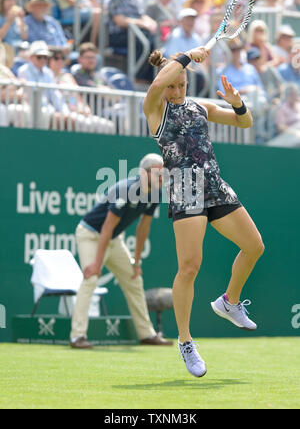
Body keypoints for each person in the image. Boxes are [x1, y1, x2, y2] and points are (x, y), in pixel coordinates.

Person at [143, 46, 264, 378]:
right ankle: (185, 342)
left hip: (215, 184)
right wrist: (185, 55)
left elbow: (245, 122)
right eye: (172, 84)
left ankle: (230, 301)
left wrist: (237, 101)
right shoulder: (155, 107)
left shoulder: (201, 106)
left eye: (182, 84)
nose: (177, 89)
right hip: (185, 188)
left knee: (255, 246)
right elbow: (156, 88)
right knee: (189, 267)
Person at [70, 153, 173, 348]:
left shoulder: (156, 193)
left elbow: (144, 227)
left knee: (135, 279)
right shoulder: (125, 190)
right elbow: (107, 227)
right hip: (90, 235)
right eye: (158, 174)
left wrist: (136, 261)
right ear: (144, 174)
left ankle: (146, 334)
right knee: (91, 278)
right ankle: (77, 336)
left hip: (114, 240)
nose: (163, 178)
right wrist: (97, 264)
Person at [107, 0, 157, 83]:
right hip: (118, 35)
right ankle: (137, 75)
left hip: (134, 32)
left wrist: (152, 23)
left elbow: (142, 15)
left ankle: (147, 77)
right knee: (142, 41)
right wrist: (142, 23)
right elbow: (119, 21)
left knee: (153, 41)